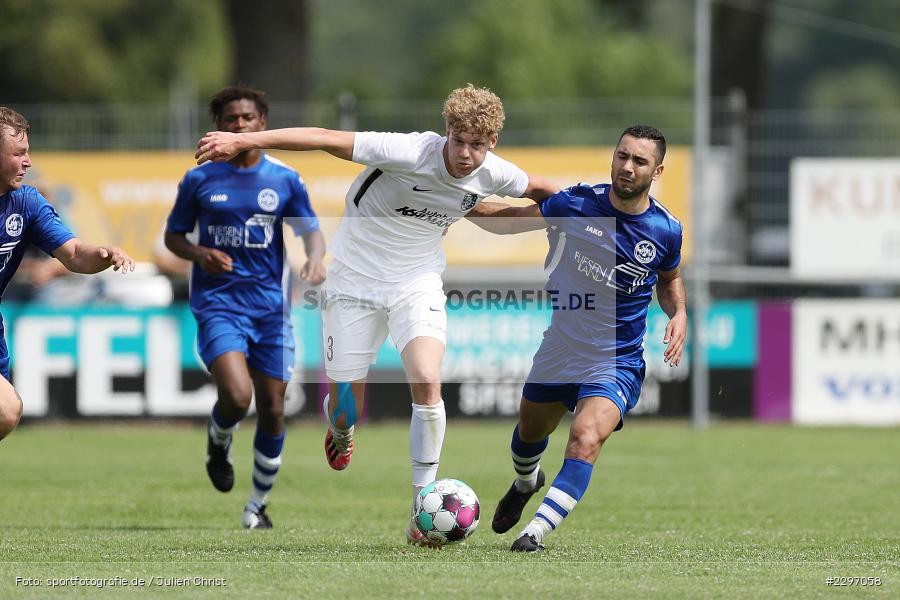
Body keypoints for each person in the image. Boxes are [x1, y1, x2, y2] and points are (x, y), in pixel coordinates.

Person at [195, 84, 559, 545]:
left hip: (417, 281)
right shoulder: (407, 150)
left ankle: (420, 509)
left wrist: (579, 211)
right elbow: (325, 137)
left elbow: (542, 192)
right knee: (348, 412)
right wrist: (243, 141)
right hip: (351, 283)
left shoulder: (496, 174)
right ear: (446, 130)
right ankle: (341, 431)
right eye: (459, 140)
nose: (466, 153)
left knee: (427, 380)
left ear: (493, 144)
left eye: (478, 145)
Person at [473, 125, 687, 552]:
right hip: (561, 348)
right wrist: (449, 204)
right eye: (622, 156)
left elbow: (670, 278)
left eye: (639, 161)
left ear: (657, 170)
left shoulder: (666, 229)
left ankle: (534, 533)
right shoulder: (578, 203)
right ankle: (525, 482)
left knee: (586, 436)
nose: (627, 167)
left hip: (616, 360)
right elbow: (509, 221)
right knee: (530, 434)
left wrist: (678, 311)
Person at [165, 85, 326, 529]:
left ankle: (256, 506)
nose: (239, 125)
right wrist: (200, 254)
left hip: (271, 311)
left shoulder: (285, 178)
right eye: (230, 119)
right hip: (219, 304)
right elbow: (173, 236)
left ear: (262, 123)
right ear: (218, 126)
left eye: (247, 118)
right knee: (237, 397)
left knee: (273, 407)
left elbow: (310, 229)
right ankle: (219, 440)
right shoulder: (200, 178)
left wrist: (314, 257)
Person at [0, 106, 134, 441]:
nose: (28, 162)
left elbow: (74, 254)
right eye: (19, 153)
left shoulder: (27, 203)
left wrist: (104, 254)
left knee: (5, 413)